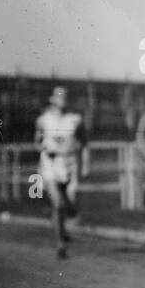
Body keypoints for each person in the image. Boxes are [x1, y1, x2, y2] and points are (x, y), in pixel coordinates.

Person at [35, 85, 87, 258]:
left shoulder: (76, 119)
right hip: (51, 162)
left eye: (65, 95)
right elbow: (37, 141)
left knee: (70, 201)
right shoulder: (43, 120)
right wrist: (43, 147)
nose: (62, 98)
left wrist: (86, 164)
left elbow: (85, 143)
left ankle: (63, 229)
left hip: (70, 162)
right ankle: (60, 244)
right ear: (52, 99)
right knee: (58, 203)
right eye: (58, 95)